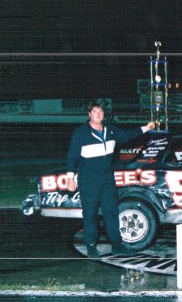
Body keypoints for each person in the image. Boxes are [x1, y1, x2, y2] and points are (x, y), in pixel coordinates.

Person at [66, 101, 155, 258]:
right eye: (95, 111)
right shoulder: (80, 133)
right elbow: (72, 156)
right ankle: (91, 246)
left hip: (107, 178)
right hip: (89, 180)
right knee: (90, 214)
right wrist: (70, 178)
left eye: (101, 111)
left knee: (111, 212)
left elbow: (128, 135)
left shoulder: (110, 130)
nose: (98, 114)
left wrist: (146, 128)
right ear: (89, 114)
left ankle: (116, 245)